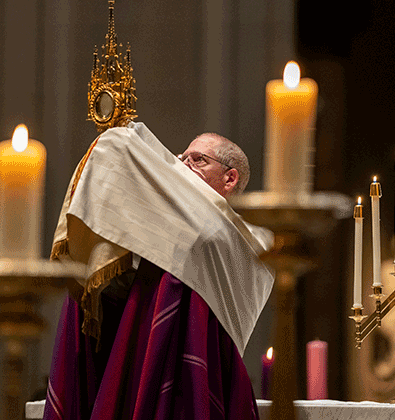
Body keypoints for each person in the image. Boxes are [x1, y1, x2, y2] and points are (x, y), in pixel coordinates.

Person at [43, 122, 273, 420]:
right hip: (136, 351)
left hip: (191, 366)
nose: (183, 164)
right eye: (182, 157)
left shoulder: (237, 237)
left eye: (198, 160)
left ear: (230, 178)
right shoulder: (164, 220)